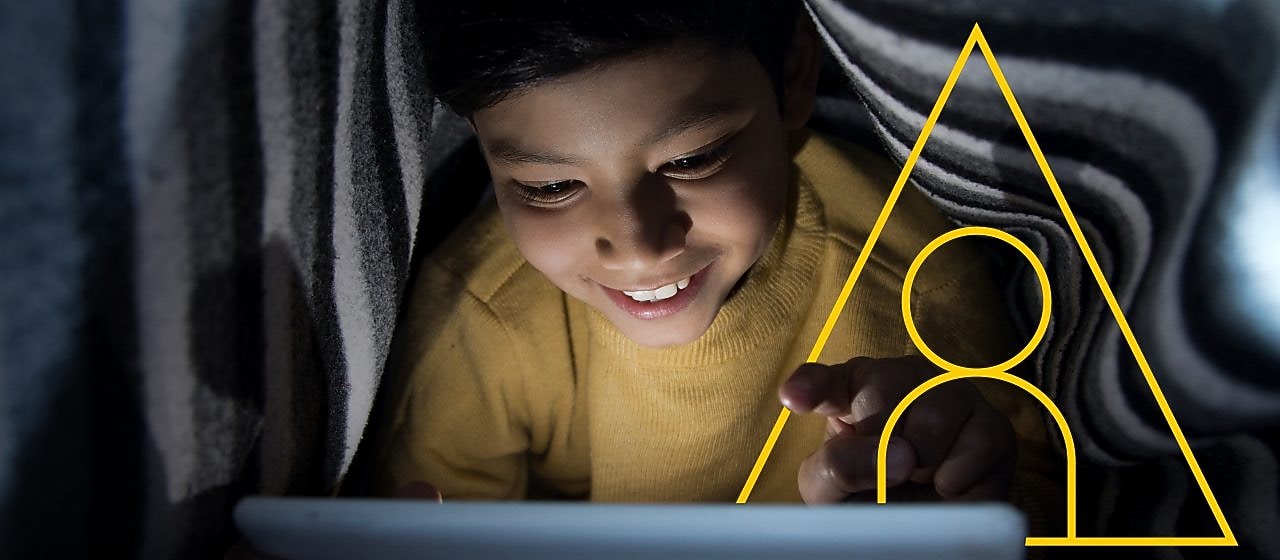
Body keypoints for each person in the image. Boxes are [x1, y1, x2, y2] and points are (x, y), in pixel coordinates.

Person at [363, 0, 1059, 530]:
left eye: (692, 158)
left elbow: (1038, 494)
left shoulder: (910, 274)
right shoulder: (481, 314)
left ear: (793, 77)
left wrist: (955, 508)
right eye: (549, 188)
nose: (636, 244)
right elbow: (425, 521)